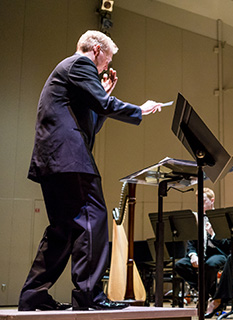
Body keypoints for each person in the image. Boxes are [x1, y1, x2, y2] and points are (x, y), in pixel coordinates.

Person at [19, 30, 164, 311]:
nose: (106, 69)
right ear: (96, 50)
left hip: (54, 161)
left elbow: (92, 123)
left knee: (63, 230)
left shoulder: (71, 75)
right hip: (69, 158)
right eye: (106, 62)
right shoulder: (80, 64)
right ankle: (89, 295)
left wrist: (104, 96)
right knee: (92, 220)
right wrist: (139, 109)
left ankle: (32, 294)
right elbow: (101, 104)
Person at [175, 188, 230, 305]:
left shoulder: (221, 217)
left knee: (209, 264)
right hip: (201, 254)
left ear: (212, 200)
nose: (201, 204)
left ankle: (204, 296)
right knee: (180, 265)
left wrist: (213, 235)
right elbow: (191, 243)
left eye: (204, 201)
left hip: (218, 253)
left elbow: (227, 245)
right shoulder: (196, 219)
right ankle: (208, 293)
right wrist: (193, 255)